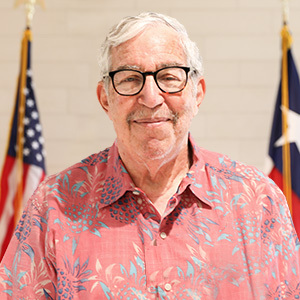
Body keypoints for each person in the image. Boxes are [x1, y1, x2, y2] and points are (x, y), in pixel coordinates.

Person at [0, 12, 299, 300]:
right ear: (106, 99)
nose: (151, 97)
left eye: (169, 77)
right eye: (130, 79)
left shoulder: (258, 202)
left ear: (197, 94)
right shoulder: (54, 206)